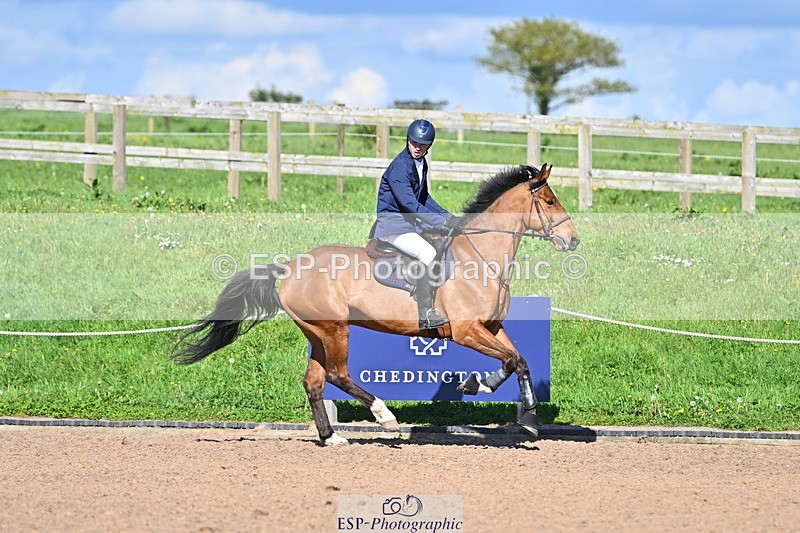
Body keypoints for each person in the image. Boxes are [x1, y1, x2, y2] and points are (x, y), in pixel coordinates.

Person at [373, 119, 458, 329]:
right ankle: (426, 314)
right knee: (427, 254)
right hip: (393, 225)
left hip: (408, 224)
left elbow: (424, 197)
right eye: (414, 142)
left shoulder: (420, 163)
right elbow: (410, 204)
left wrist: (449, 216)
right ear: (407, 140)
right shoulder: (400, 168)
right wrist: (441, 221)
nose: (418, 148)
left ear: (429, 145)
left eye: (423, 144)